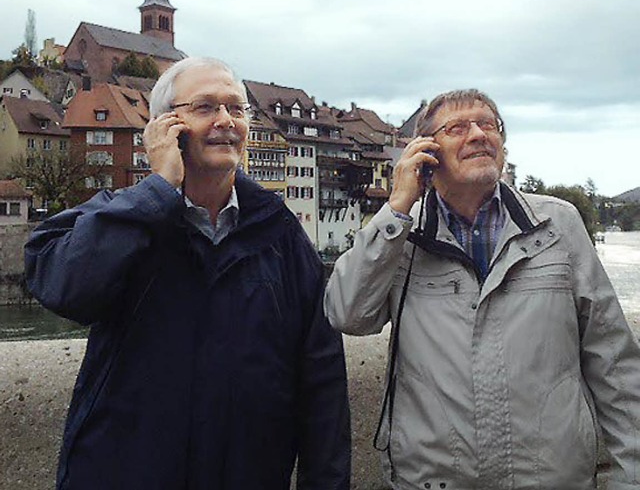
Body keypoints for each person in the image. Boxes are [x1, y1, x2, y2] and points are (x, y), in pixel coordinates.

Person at [25, 57, 350, 490]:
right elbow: (65, 287)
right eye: (205, 108)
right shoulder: (125, 214)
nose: (225, 121)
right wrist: (158, 190)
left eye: (236, 109)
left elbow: (321, 379)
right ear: (164, 126)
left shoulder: (280, 233)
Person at [324, 89, 640, 490]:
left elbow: (614, 363)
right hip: (432, 481)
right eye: (457, 127)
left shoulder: (558, 226)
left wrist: (629, 476)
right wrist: (397, 208)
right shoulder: (400, 235)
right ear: (426, 154)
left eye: (488, 124)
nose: (477, 134)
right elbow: (347, 314)